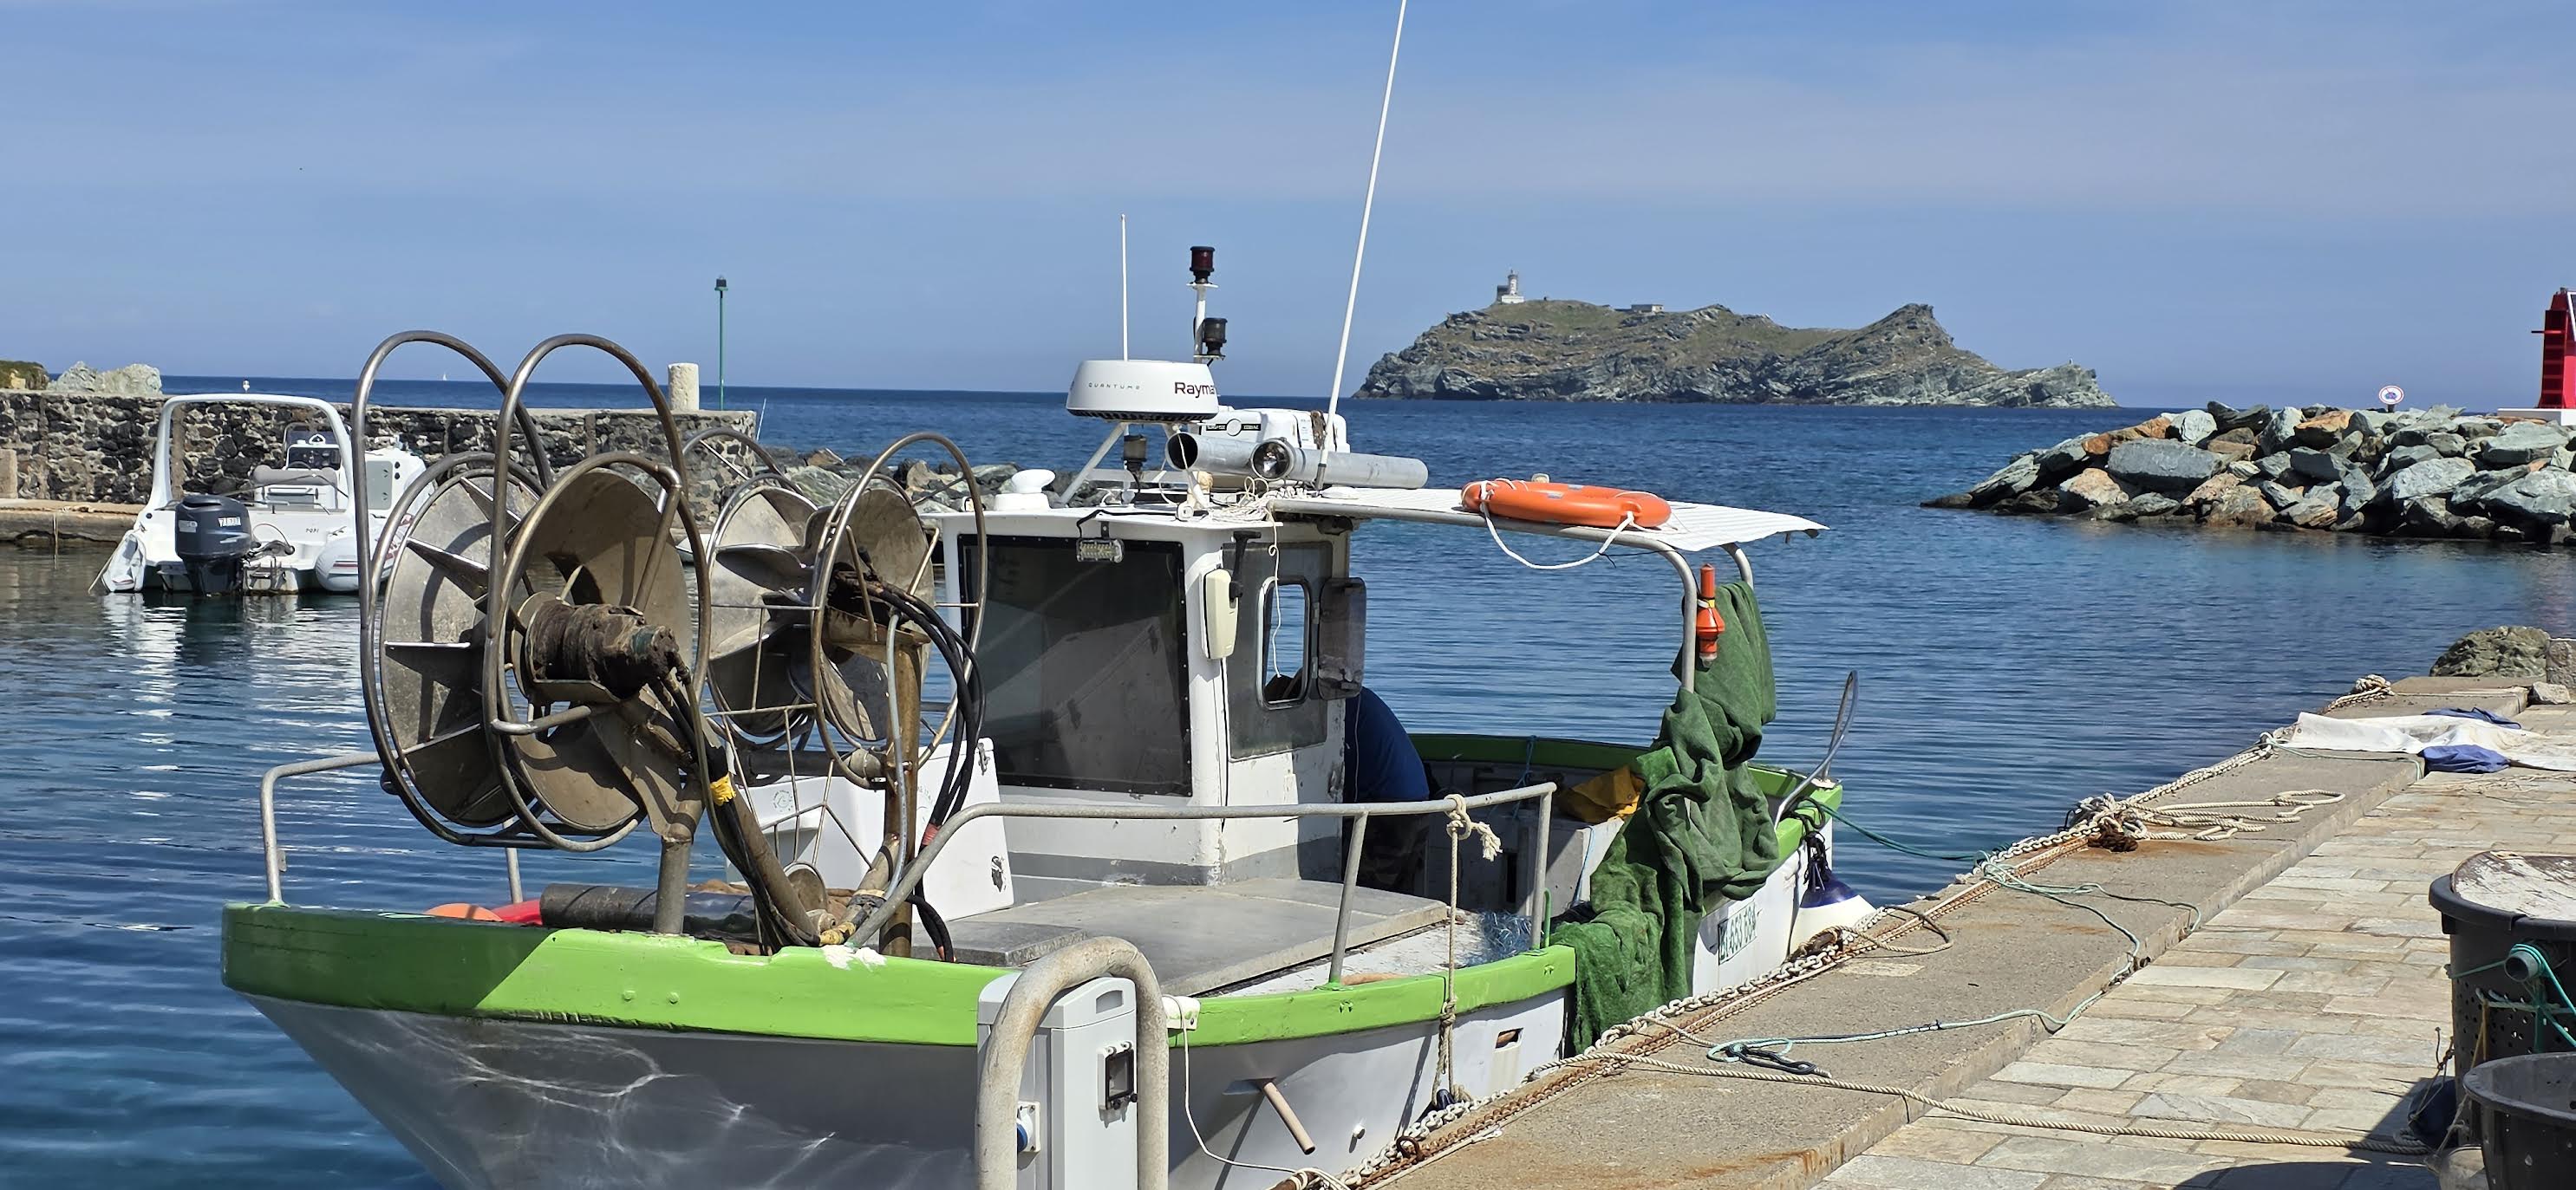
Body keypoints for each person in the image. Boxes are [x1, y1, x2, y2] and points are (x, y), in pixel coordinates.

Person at [1342, 686, 1430, 890]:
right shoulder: (1359, 698)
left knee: (1366, 891)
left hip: (1390, 809)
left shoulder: (1340, 708)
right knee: (1400, 893)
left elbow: (1350, 775)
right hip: (1418, 800)